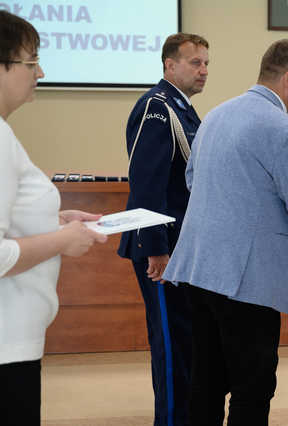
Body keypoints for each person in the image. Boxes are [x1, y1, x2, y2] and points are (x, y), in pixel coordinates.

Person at [163, 39, 288, 426]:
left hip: (198, 270)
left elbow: (193, 180)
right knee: (253, 386)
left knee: (206, 380)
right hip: (245, 280)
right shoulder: (286, 130)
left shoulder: (215, 115)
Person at [0, 10, 107, 425]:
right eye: (30, 62)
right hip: (7, 344)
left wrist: (55, 220)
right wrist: (63, 241)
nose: (39, 72)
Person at [117, 32, 209, 426]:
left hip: (183, 247)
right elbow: (147, 184)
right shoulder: (157, 107)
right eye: (195, 63)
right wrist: (155, 248)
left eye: (207, 63)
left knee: (187, 341)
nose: (203, 71)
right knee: (171, 345)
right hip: (163, 249)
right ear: (170, 65)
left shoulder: (184, 110)